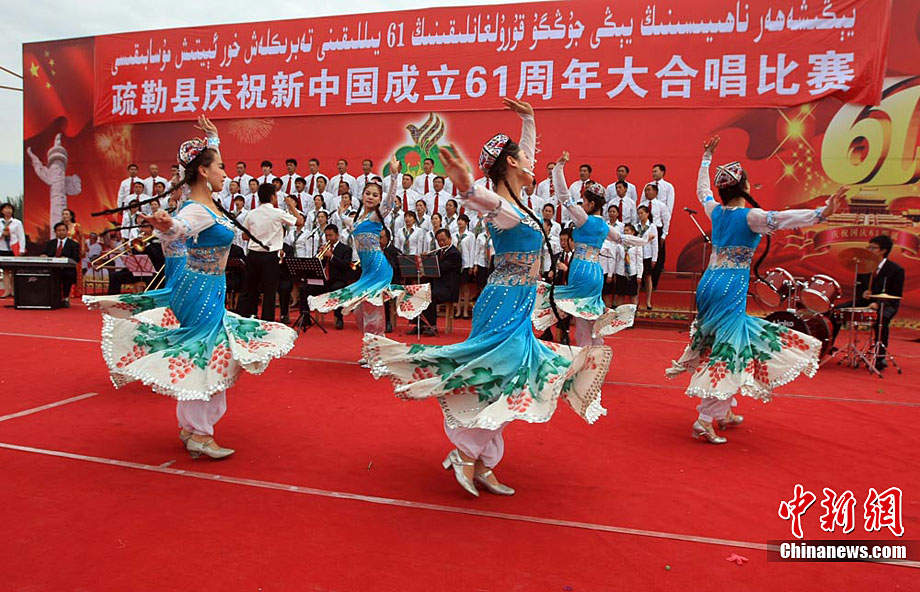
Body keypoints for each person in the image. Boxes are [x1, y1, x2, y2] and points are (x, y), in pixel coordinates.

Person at [363, 98, 612, 497]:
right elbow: (489, 201)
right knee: (509, 377)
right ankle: (467, 452)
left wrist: (528, 120)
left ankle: (483, 460)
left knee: (510, 381)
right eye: (524, 158)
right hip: (503, 302)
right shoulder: (505, 208)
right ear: (510, 164)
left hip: (517, 301)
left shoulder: (519, 199)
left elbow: (520, 161)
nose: (531, 161)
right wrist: (466, 188)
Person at [84, 115, 297, 459]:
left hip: (205, 285)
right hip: (199, 288)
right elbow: (181, 226)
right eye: (221, 167)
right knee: (207, 355)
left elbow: (187, 206)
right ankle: (199, 432)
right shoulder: (196, 210)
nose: (226, 174)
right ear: (203, 171)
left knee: (208, 351)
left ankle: (192, 427)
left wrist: (213, 139)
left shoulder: (203, 201)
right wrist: (168, 225)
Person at [666, 135, 846, 444]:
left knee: (729, 343)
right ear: (745, 187)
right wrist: (822, 213)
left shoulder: (715, 211)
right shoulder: (751, 217)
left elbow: (702, 191)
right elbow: (783, 219)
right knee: (728, 350)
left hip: (709, 283)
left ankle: (723, 410)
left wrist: (706, 158)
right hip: (730, 286)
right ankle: (705, 419)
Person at [532, 152, 648, 346]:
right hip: (596, 272)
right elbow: (622, 239)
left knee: (580, 320)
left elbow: (563, 197)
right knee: (590, 318)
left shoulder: (584, 219)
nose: (582, 204)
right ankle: (595, 351)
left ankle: (586, 356)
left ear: (592, 204)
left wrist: (559, 168)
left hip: (581, 270)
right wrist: (644, 241)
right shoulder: (604, 226)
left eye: (584, 201)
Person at [309, 157, 431, 338]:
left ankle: (377, 345)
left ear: (379, 199)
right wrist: (341, 213)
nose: (371, 197)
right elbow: (350, 224)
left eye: (375, 195)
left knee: (372, 310)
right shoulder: (359, 220)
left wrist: (394, 176)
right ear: (362, 195)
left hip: (379, 267)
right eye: (368, 193)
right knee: (360, 310)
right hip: (367, 269)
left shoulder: (375, 216)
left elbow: (389, 202)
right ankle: (372, 341)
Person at [237, 183, 300, 322]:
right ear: (272, 197)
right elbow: (300, 221)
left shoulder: (251, 213)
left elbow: (244, 236)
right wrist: (291, 206)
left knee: (248, 290)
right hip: (270, 256)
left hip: (253, 255)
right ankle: (267, 322)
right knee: (269, 292)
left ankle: (242, 319)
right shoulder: (278, 213)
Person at [417, 229, 461, 336]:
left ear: (450, 239)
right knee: (419, 292)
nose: (441, 243)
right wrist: (425, 260)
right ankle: (420, 325)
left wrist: (429, 262)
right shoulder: (438, 252)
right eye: (439, 241)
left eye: (443, 240)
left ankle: (432, 326)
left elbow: (440, 269)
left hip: (448, 288)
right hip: (438, 286)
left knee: (430, 295)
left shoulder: (454, 254)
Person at [40, 222, 80, 306]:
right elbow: (43, 253)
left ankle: (65, 298)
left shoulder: (73, 244)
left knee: (68, 275)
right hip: (52, 268)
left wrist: (66, 259)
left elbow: (76, 258)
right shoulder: (49, 243)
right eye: (59, 230)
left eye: (63, 230)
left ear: (67, 231)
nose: (61, 232)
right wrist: (44, 255)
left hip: (66, 269)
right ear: (55, 232)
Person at [639, 182, 670, 288]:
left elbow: (666, 220)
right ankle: (643, 283)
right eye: (645, 190)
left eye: (649, 190)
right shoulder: (642, 205)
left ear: (656, 192)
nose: (646, 192)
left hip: (657, 230)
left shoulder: (661, 205)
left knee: (657, 257)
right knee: (642, 256)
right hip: (643, 229)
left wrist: (664, 235)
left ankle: (654, 283)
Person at [636, 204, 658, 310]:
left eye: (642, 213)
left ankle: (648, 302)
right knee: (638, 279)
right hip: (637, 255)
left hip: (647, 255)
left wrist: (654, 258)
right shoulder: (636, 226)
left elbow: (655, 243)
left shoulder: (652, 227)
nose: (640, 215)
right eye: (638, 213)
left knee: (648, 278)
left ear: (647, 214)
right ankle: (636, 301)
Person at [60, 208, 84, 298]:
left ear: (71, 216)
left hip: (74, 251)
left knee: (76, 270)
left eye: (66, 214)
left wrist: (82, 249)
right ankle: (65, 290)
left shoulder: (76, 226)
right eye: (63, 214)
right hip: (64, 250)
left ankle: (76, 291)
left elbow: (81, 237)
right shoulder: (61, 227)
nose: (64, 216)